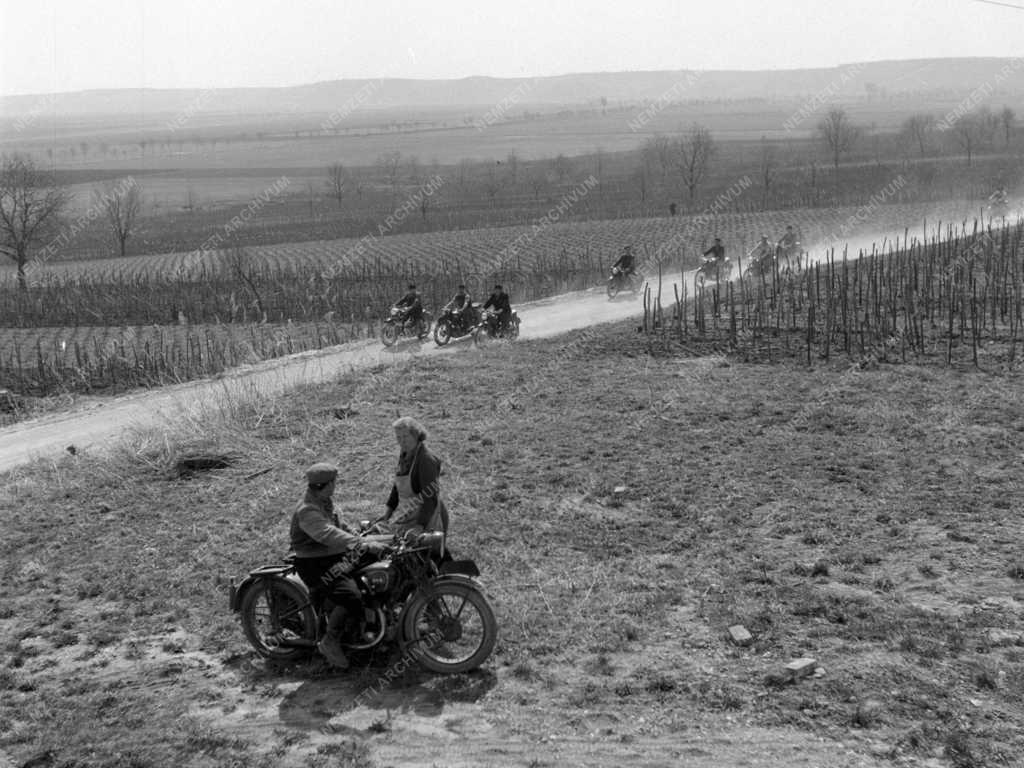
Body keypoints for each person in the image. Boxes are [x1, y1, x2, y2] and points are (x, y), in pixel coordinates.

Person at [290, 462, 388, 669]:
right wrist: (362, 544)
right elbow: (328, 534)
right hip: (315, 564)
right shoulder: (307, 510)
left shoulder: (324, 502)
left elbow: (339, 527)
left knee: (376, 567)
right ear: (325, 485)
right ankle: (330, 641)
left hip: (332, 557)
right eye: (334, 483)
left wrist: (362, 535)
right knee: (351, 597)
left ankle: (376, 623)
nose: (336, 486)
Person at [376, 417, 449, 543]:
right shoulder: (406, 453)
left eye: (405, 436)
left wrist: (419, 527)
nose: (402, 441)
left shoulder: (426, 460)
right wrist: (387, 514)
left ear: (415, 435)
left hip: (427, 518)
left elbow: (429, 497)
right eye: (398, 437)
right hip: (408, 516)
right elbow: (397, 487)